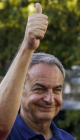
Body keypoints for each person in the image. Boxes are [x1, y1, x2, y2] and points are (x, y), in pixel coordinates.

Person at [0, 3, 74, 140]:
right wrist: (27, 47)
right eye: (40, 89)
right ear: (19, 92)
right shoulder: (10, 133)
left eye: (57, 90)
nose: (50, 99)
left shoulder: (68, 138)